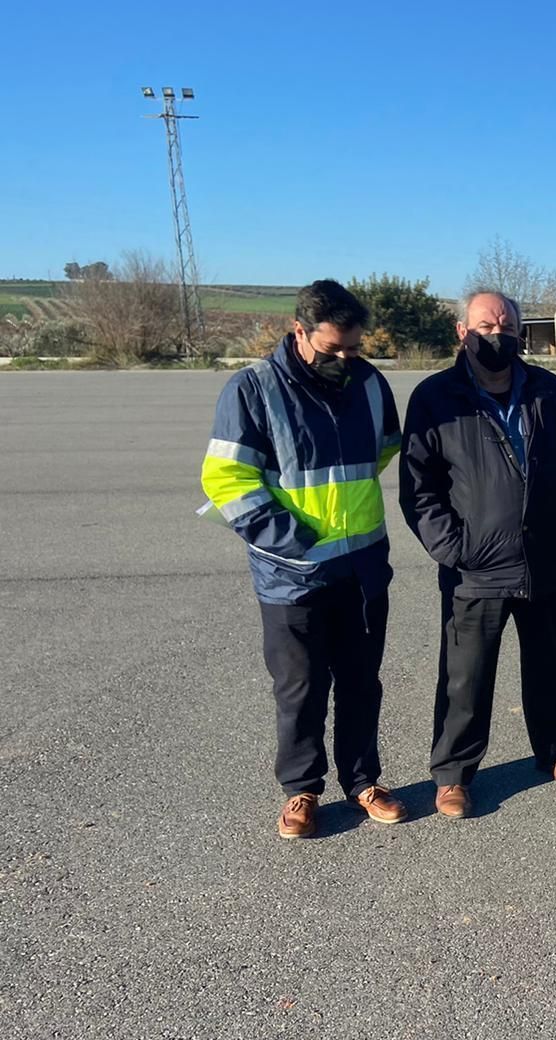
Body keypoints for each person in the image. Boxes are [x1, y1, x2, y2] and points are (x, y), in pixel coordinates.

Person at [199, 279, 405, 838]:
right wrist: (293, 539)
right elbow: (226, 479)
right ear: (299, 331)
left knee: (362, 682)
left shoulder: (370, 384)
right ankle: (302, 789)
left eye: (354, 347)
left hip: (362, 567)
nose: (346, 358)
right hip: (290, 575)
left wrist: (345, 516)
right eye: (333, 347)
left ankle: (363, 781)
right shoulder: (253, 389)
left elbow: (384, 450)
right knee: (300, 688)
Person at [398, 290, 556, 820]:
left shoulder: (550, 391)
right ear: (462, 332)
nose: (497, 334)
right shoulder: (436, 397)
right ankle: (453, 774)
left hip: (543, 560)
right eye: (485, 326)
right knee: (465, 678)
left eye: (506, 326)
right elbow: (419, 486)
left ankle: (553, 750)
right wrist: (453, 548)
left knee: (549, 669)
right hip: (475, 569)